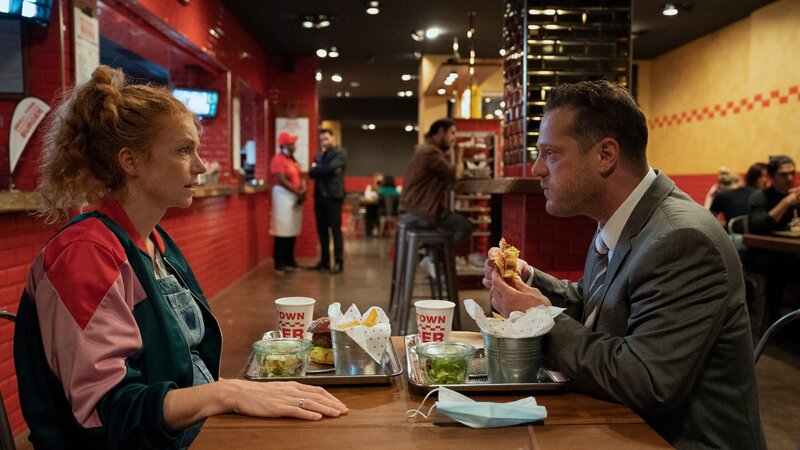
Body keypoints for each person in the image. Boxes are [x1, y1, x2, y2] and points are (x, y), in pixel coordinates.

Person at [13, 66, 347, 449]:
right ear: (130, 160)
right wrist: (228, 394)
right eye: (183, 150)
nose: (202, 166)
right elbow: (112, 413)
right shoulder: (85, 254)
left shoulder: (153, 239)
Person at [483, 80, 765, 449]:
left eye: (550, 153)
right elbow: (597, 307)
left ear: (605, 155)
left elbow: (646, 380)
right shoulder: (623, 219)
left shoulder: (681, 239)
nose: (537, 168)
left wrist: (540, 319)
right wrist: (530, 282)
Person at [399, 118, 474, 244]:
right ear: (441, 132)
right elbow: (453, 175)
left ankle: (432, 258)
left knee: (453, 223)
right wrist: (460, 153)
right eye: (452, 133)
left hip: (413, 210)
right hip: (420, 213)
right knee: (465, 227)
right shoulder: (430, 152)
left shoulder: (426, 150)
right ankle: (438, 259)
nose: (454, 138)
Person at [747, 155, 800, 323]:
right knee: (780, 264)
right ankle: (774, 320)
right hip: (761, 253)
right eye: (783, 174)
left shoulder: (797, 198)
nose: (790, 178)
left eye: (792, 173)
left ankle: (793, 318)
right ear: (771, 177)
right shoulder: (760, 197)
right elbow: (759, 226)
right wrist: (786, 202)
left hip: (789, 251)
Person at [308, 128, 348, 274]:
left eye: (326, 138)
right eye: (321, 139)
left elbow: (330, 168)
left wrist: (320, 169)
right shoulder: (319, 155)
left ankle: (338, 262)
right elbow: (311, 174)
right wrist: (323, 169)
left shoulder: (340, 153)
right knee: (322, 231)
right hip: (319, 197)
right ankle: (324, 261)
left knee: (335, 230)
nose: (324, 141)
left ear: (333, 138)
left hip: (333, 197)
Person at [270, 131, 306, 274]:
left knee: (292, 230)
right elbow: (281, 179)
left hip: (294, 198)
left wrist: (303, 190)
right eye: (292, 145)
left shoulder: (293, 160)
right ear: (285, 145)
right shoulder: (277, 159)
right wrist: (297, 192)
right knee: (282, 230)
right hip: (283, 197)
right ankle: (280, 262)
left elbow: (300, 177)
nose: (294, 147)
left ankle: (290, 260)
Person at [709, 162, 768, 229]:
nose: (766, 180)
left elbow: (709, 220)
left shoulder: (722, 195)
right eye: (763, 176)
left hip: (734, 235)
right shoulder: (760, 195)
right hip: (755, 235)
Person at [363, 172, 383, 237]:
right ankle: (370, 229)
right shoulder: (369, 187)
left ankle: (376, 228)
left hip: (382, 209)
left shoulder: (384, 189)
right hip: (371, 205)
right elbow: (367, 196)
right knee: (370, 209)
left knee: (377, 210)